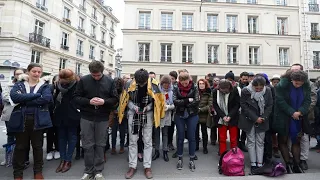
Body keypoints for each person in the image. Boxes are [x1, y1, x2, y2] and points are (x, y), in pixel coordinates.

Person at [74, 61, 118, 180]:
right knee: (87, 145)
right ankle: (88, 171)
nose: (96, 78)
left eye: (98, 75)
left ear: (102, 72)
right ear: (90, 72)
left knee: (100, 144)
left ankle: (98, 171)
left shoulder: (110, 81)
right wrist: (88, 101)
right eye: (93, 76)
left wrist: (104, 102)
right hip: (86, 116)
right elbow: (76, 98)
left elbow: (115, 99)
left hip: (103, 117)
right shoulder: (83, 80)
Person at [118, 68, 165, 179]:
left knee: (147, 141)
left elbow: (156, 101)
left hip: (147, 114)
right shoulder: (129, 83)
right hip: (132, 113)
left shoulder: (154, 84)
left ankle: (147, 167)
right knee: (133, 141)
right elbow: (125, 99)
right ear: (135, 79)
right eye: (139, 83)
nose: (141, 84)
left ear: (147, 79)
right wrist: (133, 107)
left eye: (143, 83)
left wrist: (147, 108)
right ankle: (132, 166)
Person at [9, 63, 53, 180]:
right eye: (34, 71)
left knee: (37, 147)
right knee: (20, 147)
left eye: (39, 72)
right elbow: (15, 97)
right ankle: (18, 173)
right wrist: (36, 95)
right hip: (21, 119)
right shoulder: (19, 84)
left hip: (38, 120)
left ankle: (38, 171)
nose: (37, 74)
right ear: (28, 71)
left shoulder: (44, 86)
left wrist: (25, 98)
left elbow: (46, 99)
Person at [273, 70, 311, 173]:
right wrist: (291, 112)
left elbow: (308, 100)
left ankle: (296, 164)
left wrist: (300, 111)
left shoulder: (306, 85)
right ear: (291, 80)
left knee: (296, 141)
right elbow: (280, 101)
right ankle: (288, 163)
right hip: (283, 117)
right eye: (296, 83)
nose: (298, 85)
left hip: (298, 117)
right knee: (283, 140)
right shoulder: (282, 85)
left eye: (300, 84)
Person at [238, 76, 273, 173]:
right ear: (252, 85)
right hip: (249, 119)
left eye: (260, 88)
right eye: (256, 88)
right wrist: (255, 118)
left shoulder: (268, 91)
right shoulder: (246, 91)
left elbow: (270, 105)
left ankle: (260, 163)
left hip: (262, 119)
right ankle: (253, 163)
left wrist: (263, 117)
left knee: (260, 142)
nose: (258, 90)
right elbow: (244, 106)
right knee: (251, 141)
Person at [287, 64, 317, 171]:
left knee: (304, 137)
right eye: (292, 70)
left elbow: (312, 99)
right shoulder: (288, 83)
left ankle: (303, 159)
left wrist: (301, 112)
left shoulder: (309, 84)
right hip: (290, 114)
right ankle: (292, 157)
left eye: (296, 70)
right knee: (291, 136)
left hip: (304, 115)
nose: (294, 72)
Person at [0, 69, 30, 168]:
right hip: (10, 113)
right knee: (10, 136)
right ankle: (8, 158)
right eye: (17, 74)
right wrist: (18, 99)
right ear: (14, 75)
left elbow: (28, 97)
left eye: (21, 73)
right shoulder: (9, 85)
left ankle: (22, 159)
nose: (19, 75)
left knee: (22, 137)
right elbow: (4, 96)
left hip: (23, 113)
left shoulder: (27, 85)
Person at [54, 69, 81, 173]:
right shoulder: (57, 85)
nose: (63, 81)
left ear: (71, 78)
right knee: (61, 138)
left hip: (73, 114)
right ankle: (62, 159)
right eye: (62, 78)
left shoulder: (77, 85)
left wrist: (77, 109)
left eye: (66, 78)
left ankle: (68, 160)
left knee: (72, 137)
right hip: (60, 114)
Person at [173, 71, 199, 172]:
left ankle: (192, 159)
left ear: (189, 80)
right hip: (179, 114)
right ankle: (180, 158)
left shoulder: (194, 86)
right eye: (182, 81)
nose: (184, 83)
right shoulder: (176, 87)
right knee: (180, 137)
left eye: (186, 81)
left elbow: (197, 101)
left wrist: (183, 102)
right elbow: (175, 101)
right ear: (180, 80)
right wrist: (187, 100)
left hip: (192, 114)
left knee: (192, 137)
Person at [212, 79, 240, 156]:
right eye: (222, 90)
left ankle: (234, 156)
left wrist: (230, 116)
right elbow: (215, 105)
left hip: (233, 117)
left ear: (229, 88)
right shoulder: (215, 91)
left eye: (225, 90)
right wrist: (223, 116)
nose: (224, 91)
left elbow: (237, 105)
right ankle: (223, 155)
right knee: (222, 138)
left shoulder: (234, 90)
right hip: (221, 118)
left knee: (233, 139)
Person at [153, 75, 175, 162]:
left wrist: (168, 107)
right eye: (164, 83)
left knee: (165, 133)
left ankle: (165, 151)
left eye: (167, 83)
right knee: (157, 133)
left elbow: (174, 104)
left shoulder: (172, 92)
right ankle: (157, 151)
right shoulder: (157, 92)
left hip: (166, 115)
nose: (166, 85)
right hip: (158, 116)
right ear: (161, 83)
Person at [195, 79, 212, 154]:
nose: (201, 85)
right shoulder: (195, 92)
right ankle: (196, 146)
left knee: (204, 132)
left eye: (203, 83)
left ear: (205, 84)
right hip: (195, 115)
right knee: (195, 132)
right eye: (200, 83)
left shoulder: (209, 93)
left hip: (204, 115)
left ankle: (205, 147)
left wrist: (200, 109)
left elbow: (210, 105)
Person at [46, 75, 60, 161]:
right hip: (50, 114)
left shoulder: (62, 90)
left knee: (58, 133)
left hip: (59, 115)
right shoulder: (50, 89)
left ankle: (57, 149)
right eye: (57, 81)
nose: (58, 82)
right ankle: (49, 150)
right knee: (50, 133)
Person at [111, 77, 125, 154]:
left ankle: (121, 147)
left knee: (121, 132)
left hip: (122, 115)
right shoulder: (113, 92)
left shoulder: (124, 93)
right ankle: (114, 147)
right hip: (115, 114)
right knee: (114, 132)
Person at [168, 71, 178, 151]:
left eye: (173, 79)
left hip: (175, 110)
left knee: (172, 127)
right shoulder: (166, 85)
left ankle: (170, 143)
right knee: (168, 128)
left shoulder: (177, 87)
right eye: (170, 78)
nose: (171, 80)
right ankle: (168, 142)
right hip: (167, 109)